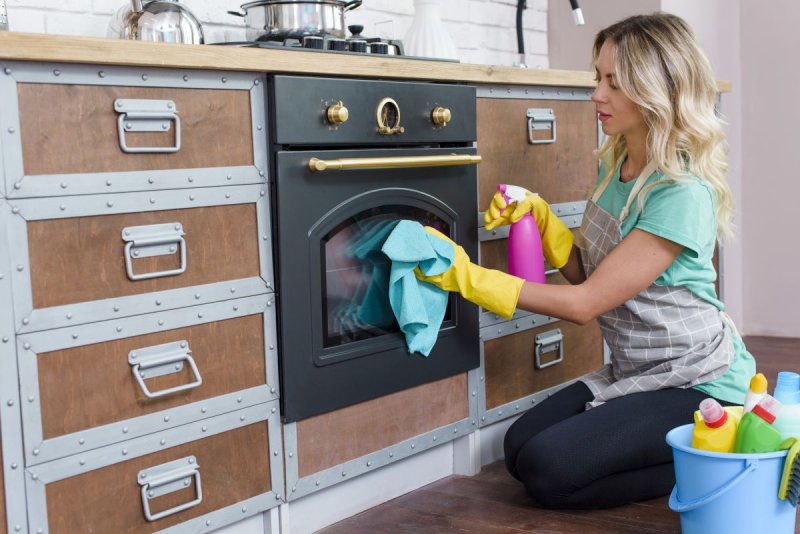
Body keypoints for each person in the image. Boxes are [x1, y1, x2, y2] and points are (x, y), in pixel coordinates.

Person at [416, 12, 755, 509]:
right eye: (598, 77)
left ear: (656, 89)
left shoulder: (682, 192)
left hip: (697, 378)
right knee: (517, 449)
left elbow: (585, 302)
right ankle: (690, 448)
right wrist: (539, 215)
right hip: (637, 366)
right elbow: (587, 269)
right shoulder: (618, 161)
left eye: (614, 83)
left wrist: (464, 276)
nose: (597, 94)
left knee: (549, 472)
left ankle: (719, 453)